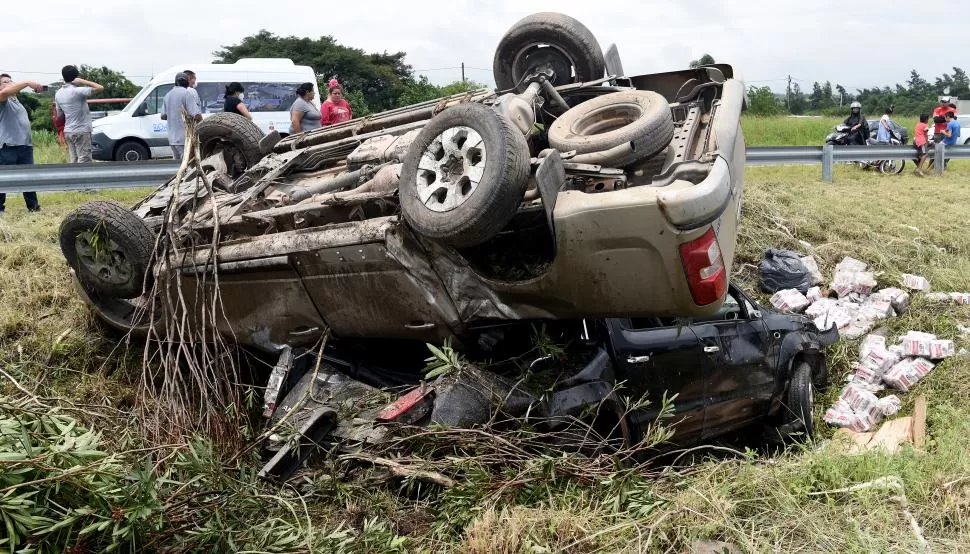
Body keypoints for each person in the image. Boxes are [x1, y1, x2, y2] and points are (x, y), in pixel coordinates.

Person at [0, 73, 43, 213]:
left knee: (28, 178)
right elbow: (5, 92)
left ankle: (33, 207)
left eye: (11, 80)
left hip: (25, 146)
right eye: (6, 81)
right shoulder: (3, 99)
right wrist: (27, 82)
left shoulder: (16, 100)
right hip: (8, 146)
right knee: (3, 178)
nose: (10, 83)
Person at [53, 65, 103, 164]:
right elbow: (100, 88)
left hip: (68, 131)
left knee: (74, 160)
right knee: (84, 160)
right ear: (76, 77)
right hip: (82, 131)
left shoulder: (58, 93)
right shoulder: (78, 91)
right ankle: (84, 179)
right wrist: (83, 81)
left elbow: (59, 116)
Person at [160, 72, 202, 161]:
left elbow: (163, 116)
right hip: (184, 139)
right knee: (187, 166)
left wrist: (174, 114)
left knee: (177, 166)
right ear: (187, 82)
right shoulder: (186, 94)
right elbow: (196, 115)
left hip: (172, 139)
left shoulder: (167, 95)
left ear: (175, 82)